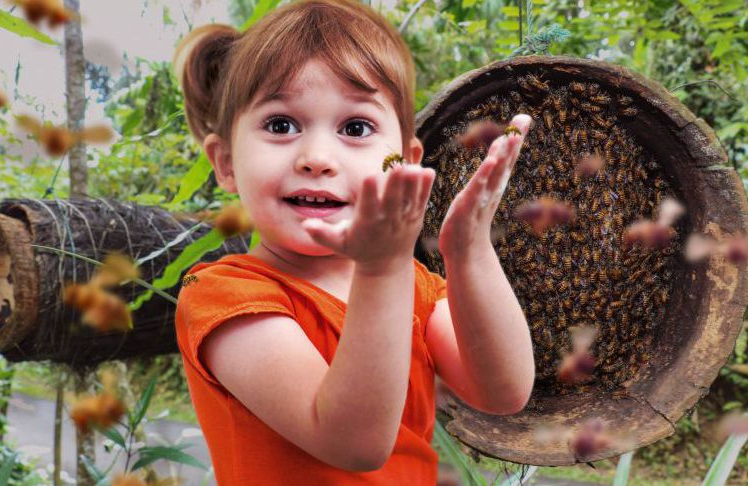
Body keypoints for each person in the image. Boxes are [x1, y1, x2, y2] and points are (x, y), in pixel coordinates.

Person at [172, 0, 535, 483]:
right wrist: (382, 270)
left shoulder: (417, 289)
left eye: (355, 127)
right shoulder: (224, 298)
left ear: (403, 160)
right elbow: (353, 443)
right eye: (281, 125)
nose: (317, 157)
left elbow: (502, 391)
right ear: (226, 163)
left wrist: (469, 251)